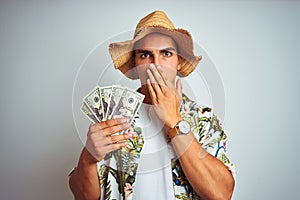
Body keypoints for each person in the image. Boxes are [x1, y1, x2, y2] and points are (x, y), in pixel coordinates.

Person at [69, 10, 235, 200]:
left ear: (178, 61)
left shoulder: (204, 119)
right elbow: (82, 196)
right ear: (134, 63)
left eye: (166, 53)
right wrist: (88, 158)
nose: (156, 64)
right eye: (145, 55)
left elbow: (221, 195)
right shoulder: (111, 118)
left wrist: (175, 122)